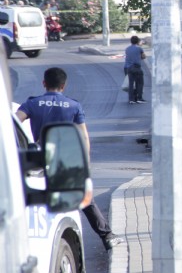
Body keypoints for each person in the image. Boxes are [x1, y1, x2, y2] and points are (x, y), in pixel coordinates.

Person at [16, 67, 125, 251]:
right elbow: (84, 137)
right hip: (65, 160)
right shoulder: (74, 105)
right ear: (64, 85)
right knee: (84, 198)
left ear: (44, 83)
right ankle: (107, 236)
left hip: (38, 159)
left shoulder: (32, 103)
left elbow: (14, 121)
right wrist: (85, 162)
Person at [124, 36, 147, 104]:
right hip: (136, 67)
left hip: (128, 68)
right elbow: (144, 56)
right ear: (137, 41)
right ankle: (139, 98)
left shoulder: (127, 49)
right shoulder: (139, 48)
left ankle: (131, 99)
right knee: (139, 83)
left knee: (131, 84)